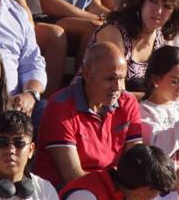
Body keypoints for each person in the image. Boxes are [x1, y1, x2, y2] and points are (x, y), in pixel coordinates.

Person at [37, 41, 146, 187]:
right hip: (63, 193)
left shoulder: (128, 102)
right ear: (87, 73)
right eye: (110, 79)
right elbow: (73, 177)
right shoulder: (60, 107)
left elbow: (136, 164)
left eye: (121, 79)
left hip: (114, 187)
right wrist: (120, 183)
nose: (117, 87)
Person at [91, 0, 179, 91]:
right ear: (140, 2)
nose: (158, 11)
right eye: (153, 1)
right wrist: (151, 98)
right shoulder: (114, 31)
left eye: (167, 6)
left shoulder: (162, 41)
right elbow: (113, 90)